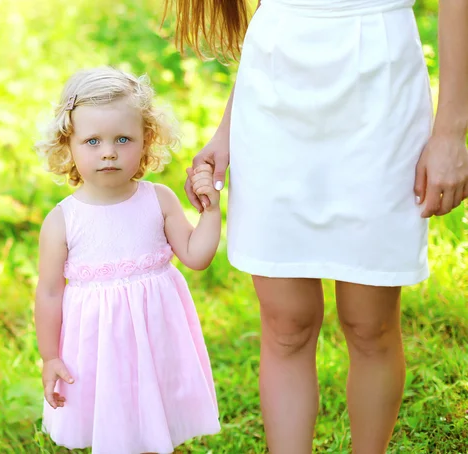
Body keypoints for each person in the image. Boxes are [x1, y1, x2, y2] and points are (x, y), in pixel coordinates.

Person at [166, 0, 468, 452]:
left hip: (379, 89)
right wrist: (228, 130)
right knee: (286, 323)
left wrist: (450, 132)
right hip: (273, 96)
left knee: (370, 324)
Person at [33, 66, 222, 454]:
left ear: (146, 139)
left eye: (123, 138)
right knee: (113, 422)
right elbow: (50, 293)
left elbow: (196, 256)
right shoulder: (62, 221)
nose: (108, 152)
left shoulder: (159, 200)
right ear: (67, 144)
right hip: (99, 348)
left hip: (157, 340)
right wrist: (50, 356)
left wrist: (211, 212)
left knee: (155, 419)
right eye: (92, 141)